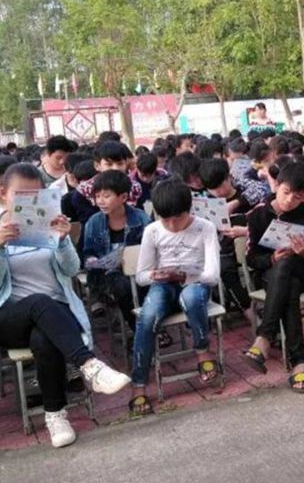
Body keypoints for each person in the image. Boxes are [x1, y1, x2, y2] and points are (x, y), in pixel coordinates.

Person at [0, 163, 131, 447]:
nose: (29, 202)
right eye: (21, 196)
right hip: (9, 317)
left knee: (43, 337)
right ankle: (89, 365)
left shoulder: (49, 222)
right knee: (39, 302)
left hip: (54, 316)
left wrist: (62, 241)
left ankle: (55, 416)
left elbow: (72, 270)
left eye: (36, 195)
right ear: (3, 194)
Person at [130, 179, 221, 415]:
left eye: (178, 218)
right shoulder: (152, 231)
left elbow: (212, 276)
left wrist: (183, 275)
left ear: (189, 210)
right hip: (163, 285)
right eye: (165, 219)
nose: (172, 225)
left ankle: (202, 350)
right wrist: (156, 275)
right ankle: (139, 383)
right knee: (148, 317)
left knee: (191, 297)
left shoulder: (205, 227)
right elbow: (141, 276)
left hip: (195, 283)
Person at [242, 160, 304, 392]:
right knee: (289, 284)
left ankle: (264, 338)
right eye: (286, 192)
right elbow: (251, 258)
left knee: (289, 269)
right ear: (276, 185)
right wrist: (271, 259)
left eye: (297, 197)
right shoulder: (258, 213)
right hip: (269, 275)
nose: (289, 200)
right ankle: (299, 363)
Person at [83, 170, 151, 334]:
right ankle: (142, 330)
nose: (101, 201)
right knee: (122, 286)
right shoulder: (94, 222)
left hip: (139, 271)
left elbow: (152, 250)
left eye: (106, 196)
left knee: (143, 285)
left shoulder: (141, 219)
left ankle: (147, 327)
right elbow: (87, 252)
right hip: (107, 275)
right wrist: (92, 260)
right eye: (97, 196)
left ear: (123, 197)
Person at [198, 158, 253, 316]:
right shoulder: (207, 203)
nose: (218, 192)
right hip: (225, 252)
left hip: (250, 245)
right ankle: (249, 312)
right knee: (224, 268)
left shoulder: (247, 196)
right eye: (212, 189)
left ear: (229, 178)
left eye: (221, 186)